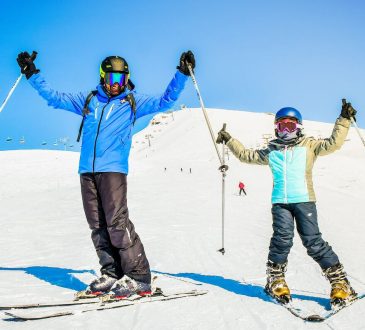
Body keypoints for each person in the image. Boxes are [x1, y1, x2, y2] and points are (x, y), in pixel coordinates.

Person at [16, 50, 195, 298]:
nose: (115, 85)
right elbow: (55, 98)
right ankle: (111, 272)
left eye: (120, 80)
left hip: (112, 170)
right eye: (111, 79)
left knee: (117, 223)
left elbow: (166, 101)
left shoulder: (132, 103)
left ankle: (139, 276)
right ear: (102, 78)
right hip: (87, 171)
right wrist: (31, 74)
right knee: (97, 226)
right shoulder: (89, 100)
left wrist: (182, 73)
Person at [216, 104, 358, 307]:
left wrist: (343, 119)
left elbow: (333, 144)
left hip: (304, 201)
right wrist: (229, 140)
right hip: (280, 203)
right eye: (281, 126)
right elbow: (246, 155)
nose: (285, 131)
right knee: (281, 241)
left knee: (313, 242)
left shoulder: (310, 146)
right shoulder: (271, 151)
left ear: (299, 127)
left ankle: (340, 283)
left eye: (290, 126)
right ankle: (276, 280)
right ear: (276, 128)